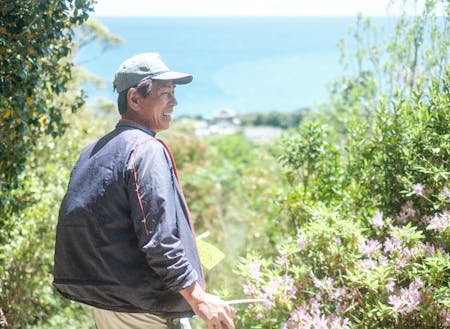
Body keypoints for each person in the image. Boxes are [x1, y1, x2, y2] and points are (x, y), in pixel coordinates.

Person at [53, 53, 235, 329]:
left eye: (173, 93)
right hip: (146, 311)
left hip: (108, 306)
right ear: (135, 99)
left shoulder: (91, 153)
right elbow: (159, 239)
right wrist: (199, 299)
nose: (174, 102)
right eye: (165, 94)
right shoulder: (146, 149)